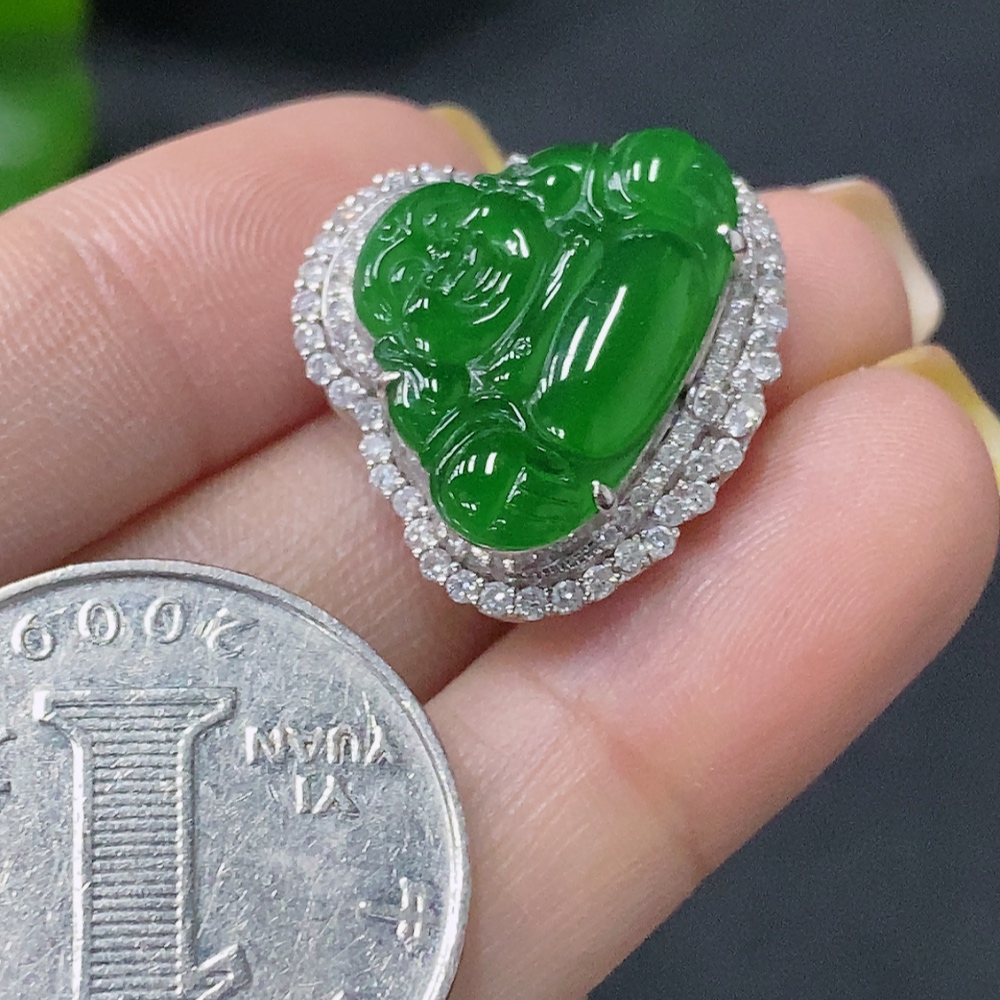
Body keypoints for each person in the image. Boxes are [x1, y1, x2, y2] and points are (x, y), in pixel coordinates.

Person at [0, 95, 996, 999]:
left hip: (640, 268)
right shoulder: (444, 391)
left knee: (670, 177)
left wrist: (633, 191)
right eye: (413, 288)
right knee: (498, 487)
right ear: (408, 347)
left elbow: (640, 183)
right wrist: (477, 441)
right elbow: (462, 452)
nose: (446, 265)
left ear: (499, 201)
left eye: (446, 233)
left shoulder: (568, 206)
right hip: (561, 414)